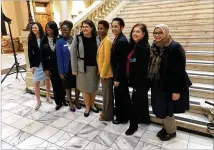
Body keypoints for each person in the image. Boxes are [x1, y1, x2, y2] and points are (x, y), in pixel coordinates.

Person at [148, 24, 192, 141]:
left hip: (170, 85)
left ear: (166, 33)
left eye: (160, 33)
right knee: (162, 108)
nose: (157, 35)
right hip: (159, 84)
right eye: (155, 33)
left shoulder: (175, 47)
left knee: (168, 109)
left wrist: (177, 91)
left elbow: (179, 71)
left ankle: (171, 131)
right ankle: (165, 128)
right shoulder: (155, 46)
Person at [71, 19, 100, 117]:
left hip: (95, 68)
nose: (84, 28)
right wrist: (74, 69)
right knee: (84, 88)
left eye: (87, 26)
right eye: (83, 27)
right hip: (82, 68)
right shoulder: (78, 38)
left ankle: (92, 105)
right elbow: (73, 53)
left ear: (92, 28)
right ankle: (87, 107)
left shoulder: (97, 38)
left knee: (93, 88)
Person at [125, 24, 151, 135]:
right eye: (134, 31)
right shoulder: (137, 45)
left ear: (144, 34)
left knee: (135, 104)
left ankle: (133, 126)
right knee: (143, 100)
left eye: (138, 31)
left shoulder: (143, 47)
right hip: (139, 80)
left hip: (140, 81)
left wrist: (135, 82)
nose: (135, 33)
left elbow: (142, 68)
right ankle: (145, 119)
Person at [41, 21, 68, 110]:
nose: (47, 29)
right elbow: (42, 56)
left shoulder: (60, 38)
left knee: (63, 84)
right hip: (51, 67)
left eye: (49, 27)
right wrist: (45, 69)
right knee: (55, 85)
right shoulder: (43, 40)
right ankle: (58, 102)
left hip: (61, 66)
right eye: (46, 27)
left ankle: (64, 100)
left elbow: (65, 52)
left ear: (54, 28)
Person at [56, 20, 81, 112]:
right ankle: (70, 102)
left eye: (66, 30)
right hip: (66, 68)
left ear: (70, 30)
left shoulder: (75, 40)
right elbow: (59, 58)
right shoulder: (59, 42)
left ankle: (77, 100)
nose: (63, 32)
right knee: (67, 86)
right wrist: (61, 71)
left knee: (77, 85)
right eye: (62, 30)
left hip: (75, 66)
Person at [28, 22, 52, 110]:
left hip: (45, 62)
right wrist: (31, 65)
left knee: (47, 80)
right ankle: (38, 101)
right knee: (36, 82)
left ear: (39, 28)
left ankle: (48, 96)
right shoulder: (30, 38)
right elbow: (29, 53)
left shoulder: (44, 37)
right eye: (32, 28)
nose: (34, 29)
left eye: (35, 28)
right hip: (36, 64)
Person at [111, 18, 131, 124]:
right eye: (112, 26)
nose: (113, 28)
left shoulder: (122, 41)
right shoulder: (118, 38)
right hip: (118, 73)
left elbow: (122, 62)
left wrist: (117, 78)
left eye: (116, 26)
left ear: (122, 27)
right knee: (121, 95)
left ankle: (122, 118)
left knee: (121, 96)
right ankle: (124, 115)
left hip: (120, 75)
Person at [97, 20, 114, 121]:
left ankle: (107, 116)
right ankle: (105, 112)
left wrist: (102, 74)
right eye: (98, 28)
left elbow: (107, 59)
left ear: (107, 29)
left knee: (107, 97)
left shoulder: (107, 41)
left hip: (107, 74)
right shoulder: (103, 40)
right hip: (103, 73)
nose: (99, 30)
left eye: (101, 28)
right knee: (105, 95)